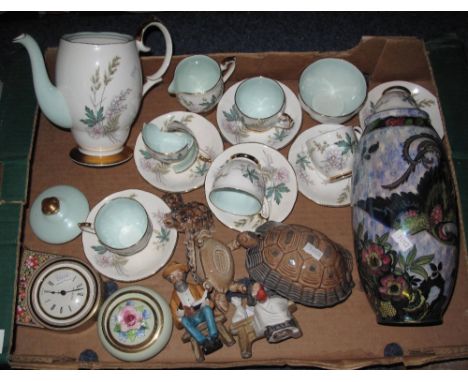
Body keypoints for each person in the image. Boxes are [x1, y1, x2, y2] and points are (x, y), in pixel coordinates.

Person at [162, 261, 223, 355]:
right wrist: (182, 313)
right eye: (173, 277)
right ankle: (204, 342)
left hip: (202, 314)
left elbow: (210, 303)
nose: (177, 279)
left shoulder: (197, 287)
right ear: (171, 281)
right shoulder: (173, 300)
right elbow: (177, 323)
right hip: (191, 320)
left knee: (207, 309)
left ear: (184, 274)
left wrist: (206, 303)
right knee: (183, 320)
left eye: (178, 275)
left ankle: (214, 337)